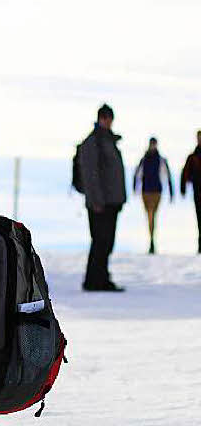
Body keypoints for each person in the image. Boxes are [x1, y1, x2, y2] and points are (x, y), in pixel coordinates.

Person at [78, 104, 127, 290]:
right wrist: (96, 200)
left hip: (112, 201)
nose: (108, 121)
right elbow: (90, 173)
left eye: (110, 118)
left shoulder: (108, 140)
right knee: (100, 241)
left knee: (106, 242)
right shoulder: (94, 142)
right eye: (105, 118)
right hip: (100, 203)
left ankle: (101, 278)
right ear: (100, 118)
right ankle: (94, 280)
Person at [132, 137, 174, 254]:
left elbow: (167, 176)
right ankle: (151, 240)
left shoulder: (160, 160)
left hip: (156, 191)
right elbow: (137, 174)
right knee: (150, 215)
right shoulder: (144, 160)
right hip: (146, 191)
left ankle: (152, 240)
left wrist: (171, 192)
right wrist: (135, 188)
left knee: (152, 215)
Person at [181, 131, 201, 253]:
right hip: (197, 192)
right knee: (199, 217)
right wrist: (183, 187)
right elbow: (185, 173)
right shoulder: (192, 157)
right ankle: (200, 244)